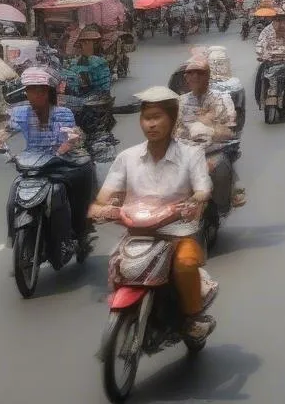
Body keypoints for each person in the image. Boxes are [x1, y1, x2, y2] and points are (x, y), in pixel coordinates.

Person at [89, 86, 214, 340]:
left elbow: (202, 188)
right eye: (147, 118)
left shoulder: (192, 154)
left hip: (177, 232)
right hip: (138, 232)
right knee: (117, 262)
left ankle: (192, 317)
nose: (151, 124)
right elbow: (108, 193)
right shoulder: (127, 157)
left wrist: (196, 200)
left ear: (172, 119)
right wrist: (100, 207)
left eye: (157, 117)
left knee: (184, 264)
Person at [0, 67, 96, 253]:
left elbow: (71, 138)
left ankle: (80, 233)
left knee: (78, 185)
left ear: (49, 92)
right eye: (30, 90)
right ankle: (13, 237)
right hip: (32, 162)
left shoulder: (63, 113)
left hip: (60, 162)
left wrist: (62, 149)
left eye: (40, 90)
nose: (34, 95)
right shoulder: (20, 112)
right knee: (12, 200)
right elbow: (7, 130)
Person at [178, 55, 245, 210]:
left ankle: (226, 198)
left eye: (200, 73)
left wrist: (209, 128)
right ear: (185, 77)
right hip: (182, 152)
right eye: (191, 73)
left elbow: (228, 130)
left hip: (212, 150)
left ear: (208, 76)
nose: (195, 76)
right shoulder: (179, 102)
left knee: (220, 167)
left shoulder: (222, 99)